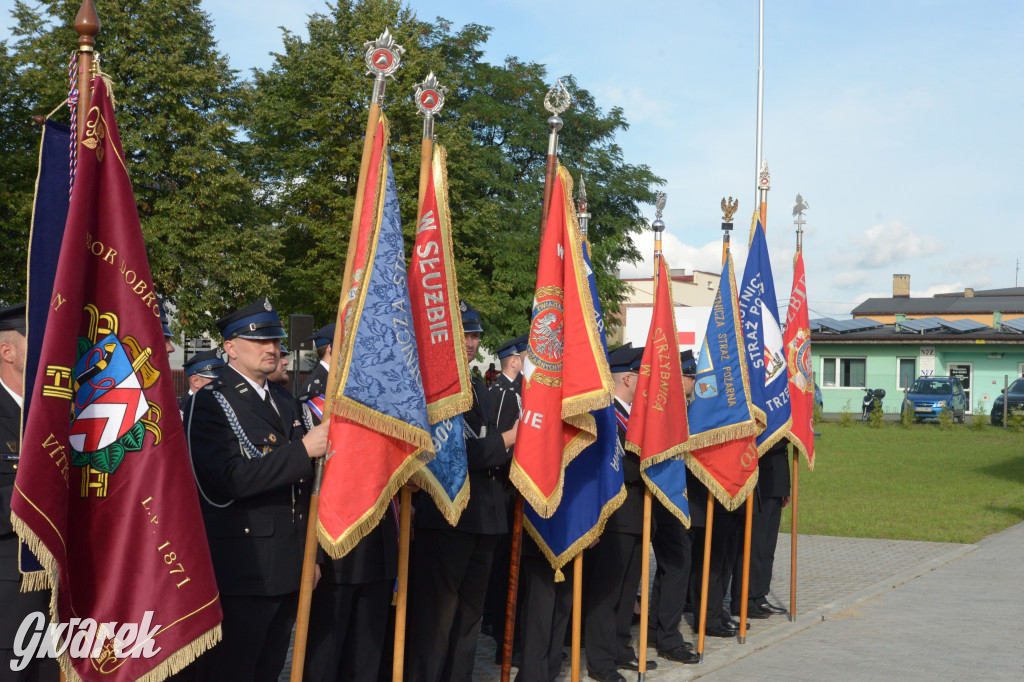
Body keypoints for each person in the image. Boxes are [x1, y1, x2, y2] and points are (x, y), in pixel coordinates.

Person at [185, 298, 328, 682]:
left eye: (276, 341)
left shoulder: (284, 398)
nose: (272, 349)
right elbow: (226, 481)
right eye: (259, 341)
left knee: (269, 668)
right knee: (235, 669)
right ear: (230, 348)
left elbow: (302, 490)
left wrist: (310, 555)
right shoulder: (211, 402)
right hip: (245, 566)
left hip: (289, 561)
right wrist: (302, 451)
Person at [405, 301, 518, 682]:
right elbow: (447, 453)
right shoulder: (433, 385)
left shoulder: (474, 385)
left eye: (474, 335)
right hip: (447, 515)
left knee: (468, 617)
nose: (471, 343)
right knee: (438, 617)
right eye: (463, 334)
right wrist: (509, 439)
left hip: (484, 514)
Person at [298, 322, 399, 682]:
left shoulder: (379, 400)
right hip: (337, 543)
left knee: (367, 657)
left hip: (378, 542)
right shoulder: (316, 401)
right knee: (327, 655)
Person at [583, 343, 657, 682]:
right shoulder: (607, 413)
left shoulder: (635, 413)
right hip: (614, 514)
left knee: (628, 588)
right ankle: (600, 662)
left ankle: (620, 648)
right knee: (607, 590)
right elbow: (610, 465)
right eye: (644, 375)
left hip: (639, 513)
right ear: (628, 377)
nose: (648, 381)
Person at [0, 303, 58, 681]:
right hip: (9, 598)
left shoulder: (55, 411)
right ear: (7, 351)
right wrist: (42, 494)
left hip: (59, 598)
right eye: (38, 339)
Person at [646, 351, 701, 664]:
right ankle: (668, 637)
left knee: (672, 566)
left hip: (674, 494)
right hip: (662, 493)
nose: (693, 381)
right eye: (689, 375)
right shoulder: (665, 405)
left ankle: (659, 630)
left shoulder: (686, 406)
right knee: (678, 564)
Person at [482, 335, 525, 656]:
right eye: (526, 356)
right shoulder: (500, 393)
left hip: (519, 486)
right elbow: (496, 440)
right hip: (505, 486)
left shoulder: (522, 390)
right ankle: (500, 632)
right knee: (504, 562)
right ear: (513, 360)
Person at [730, 441, 790, 619]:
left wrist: (785, 487)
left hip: (776, 484)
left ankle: (759, 595)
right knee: (753, 546)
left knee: (767, 548)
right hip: (759, 484)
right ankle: (744, 599)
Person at [178, 349, 224, 416]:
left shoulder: (223, 404)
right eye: (215, 380)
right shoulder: (183, 411)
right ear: (195, 381)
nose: (221, 383)